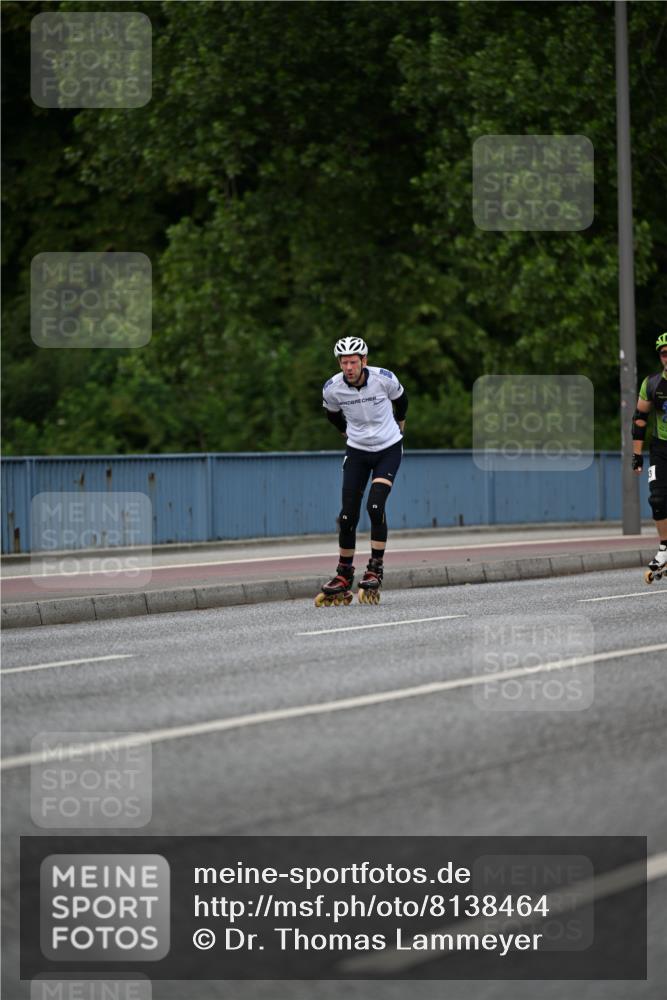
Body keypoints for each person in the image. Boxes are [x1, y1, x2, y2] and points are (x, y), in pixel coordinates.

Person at [316, 336, 408, 605]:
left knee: (375, 507)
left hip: (387, 449)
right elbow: (332, 414)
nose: (348, 367)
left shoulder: (384, 379)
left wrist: (400, 423)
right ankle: (344, 573)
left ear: (364, 361)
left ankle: (375, 569)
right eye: (344, 362)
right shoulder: (332, 388)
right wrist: (345, 431)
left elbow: (402, 401)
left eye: (353, 362)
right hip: (357, 451)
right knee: (346, 516)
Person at [632, 331, 667, 581]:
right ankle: (665, 549)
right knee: (657, 498)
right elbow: (640, 419)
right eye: (664, 353)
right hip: (660, 448)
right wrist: (636, 455)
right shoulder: (652, 384)